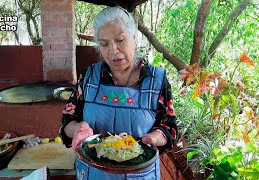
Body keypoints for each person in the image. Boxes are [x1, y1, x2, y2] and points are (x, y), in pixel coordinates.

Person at [59, 6, 177, 180]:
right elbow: (67, 121)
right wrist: (78, 128)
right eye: (104, 44)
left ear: (135, 38)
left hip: (140, 175)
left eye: (120, 40)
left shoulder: (156, 80)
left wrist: (155, 138)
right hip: (93, 175)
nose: (113, 50)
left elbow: (169, 128)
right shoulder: (89, 78)